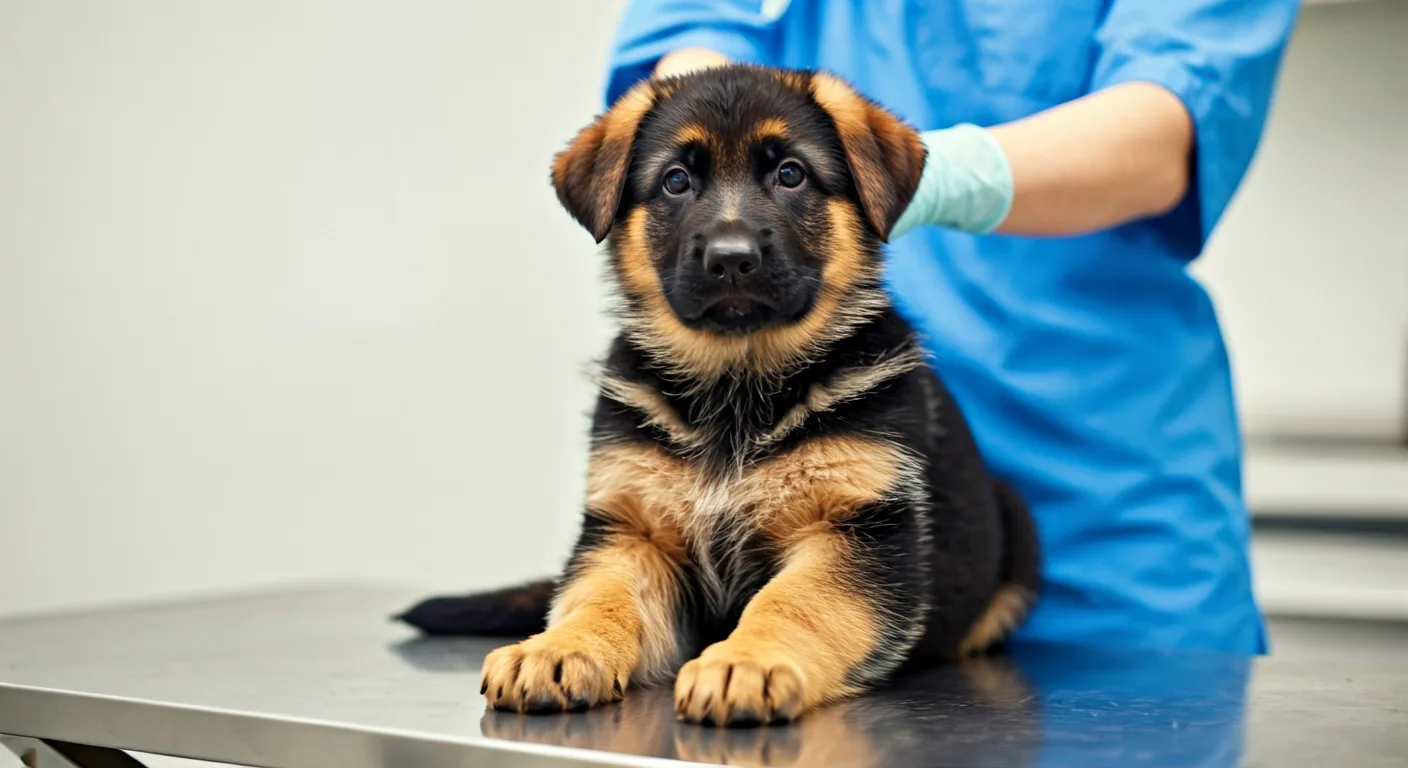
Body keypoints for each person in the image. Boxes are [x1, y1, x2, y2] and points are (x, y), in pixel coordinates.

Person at [600, 0, 1300, 655]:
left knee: (1148, 714)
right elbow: (695, 51)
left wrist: (924, 173)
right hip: (795, 484)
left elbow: (1168, 124)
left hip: (1111, 494)